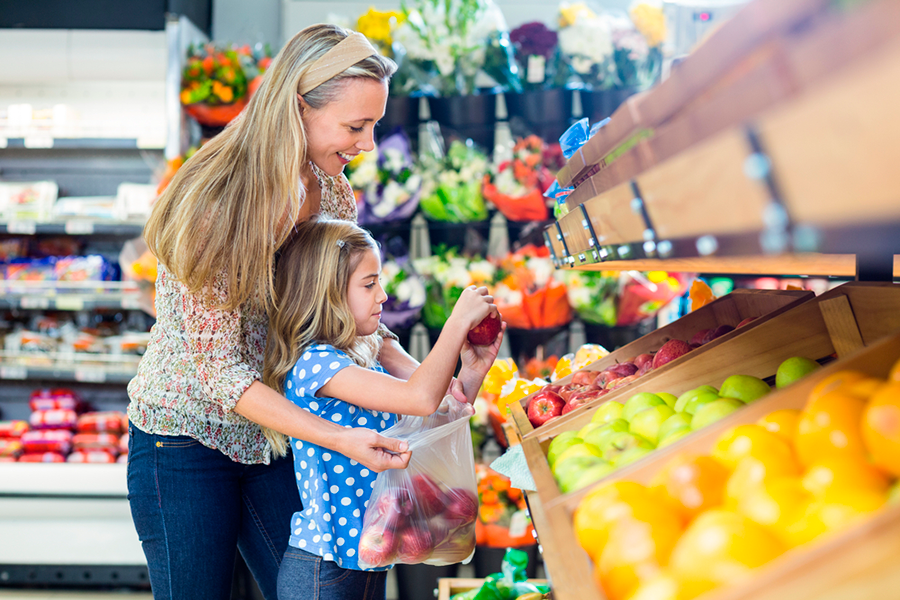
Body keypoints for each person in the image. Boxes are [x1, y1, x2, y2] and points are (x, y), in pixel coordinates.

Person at [126, 24, 441, 600]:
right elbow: (222, 375)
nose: (368, 144)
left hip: (273, 435)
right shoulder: (218, 204)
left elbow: (341, 316)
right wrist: (341, 439)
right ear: (299, 106)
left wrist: (421, 377)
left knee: (315, 589)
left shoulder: (329, 187)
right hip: (185, 439)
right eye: (355, 126)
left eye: (373, 125)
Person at [264, 218, 504, 600]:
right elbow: (420, 397)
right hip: (324, 568)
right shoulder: (316, 364)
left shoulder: (359, 357)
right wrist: (457, 322)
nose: (383, 296)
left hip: (368, 558)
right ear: (327, 293)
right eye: (369, 283)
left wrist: (472, 371)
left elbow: (434, 416)